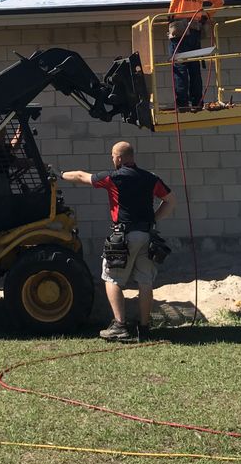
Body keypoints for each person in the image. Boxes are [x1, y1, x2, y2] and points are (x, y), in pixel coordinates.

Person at [62, 141, 176, 342]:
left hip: (124, 237)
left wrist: (59, 174)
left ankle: (120, 326)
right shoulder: (150, 178)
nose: (112, 159)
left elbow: (81, 176)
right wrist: (152, 219)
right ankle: (144, 328)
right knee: (145, 281)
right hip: (148, 236)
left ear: (120, 158)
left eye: (113, 156)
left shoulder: (113, 177)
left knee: (112, 278)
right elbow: (171, 200)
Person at [166, 0, 224, 112]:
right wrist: (207, 15)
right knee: (194, 66)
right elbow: (219, 1)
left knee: (179, 65)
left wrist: (171, 12)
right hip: (195, 27)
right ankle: (197, 103)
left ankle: (183, 104)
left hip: (179, 27)